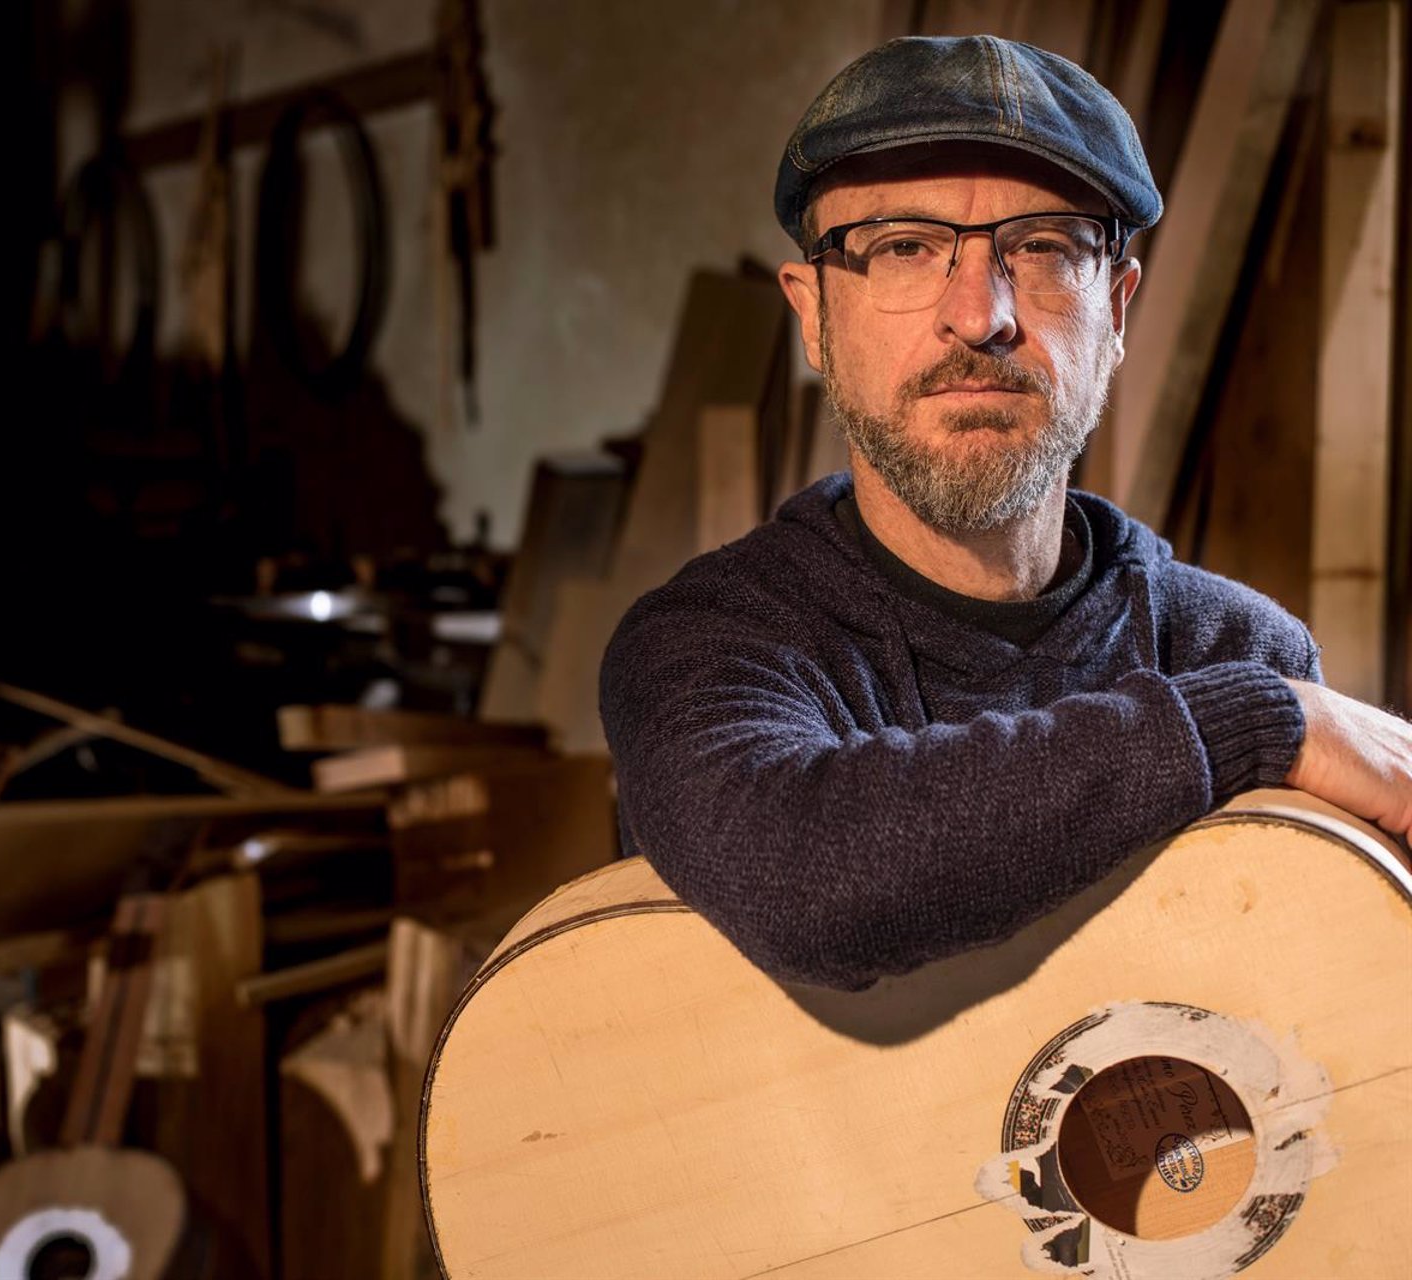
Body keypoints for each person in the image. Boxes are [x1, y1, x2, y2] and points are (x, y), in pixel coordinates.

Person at [598, 34, 1412, 992]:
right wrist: (1252, 729)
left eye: (1043, 248)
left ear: (1116, 309)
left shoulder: (1233, 648)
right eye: (904, 249)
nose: (980, 315)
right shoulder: (709, 644)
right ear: (813, 314)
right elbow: (809, 878)